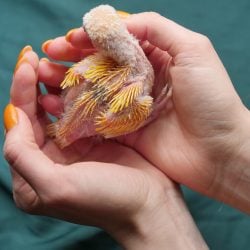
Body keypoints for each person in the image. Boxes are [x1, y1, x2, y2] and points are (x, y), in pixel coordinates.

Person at [3, 11, 250, 249]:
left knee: (135, 103)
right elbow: (84, 75)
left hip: (101, 114)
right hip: (87, 113)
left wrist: (231, 149)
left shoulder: (137, 87)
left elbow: (111, 109)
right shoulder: (118, 68)